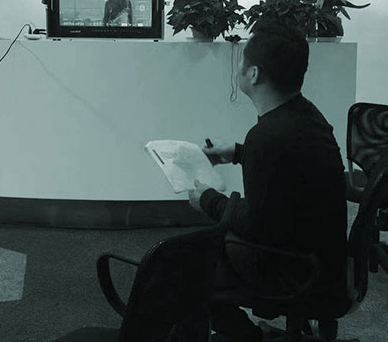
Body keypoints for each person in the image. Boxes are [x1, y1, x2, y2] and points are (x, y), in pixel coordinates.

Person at [117, 22, 348, 342]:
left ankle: (249, 337)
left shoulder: (267, 136)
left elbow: (253, 225)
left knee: (182, 268)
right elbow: (291, 172)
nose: (238, 69)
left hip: (295, 269)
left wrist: (206, 199)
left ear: (253, 74)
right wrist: (238, 152)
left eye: (241, 63)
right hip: (325, 258)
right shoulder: (305, 115)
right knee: (204, 250)